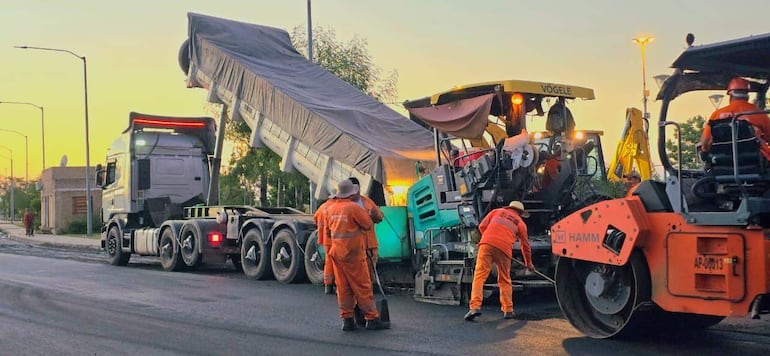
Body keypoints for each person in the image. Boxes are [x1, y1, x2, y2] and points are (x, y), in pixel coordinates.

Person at [325, 179, 389, 331]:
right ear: (352, 193)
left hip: (337, 254)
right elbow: (367, 225)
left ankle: (347, 320)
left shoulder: (331, 209)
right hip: (353, 254)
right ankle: (372, 318)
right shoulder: (353, 208)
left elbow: (328, 232)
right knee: (363, 286)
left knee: (344, 287)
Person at [465, 201, 533, 322]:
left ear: (509, 207)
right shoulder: (521, 223)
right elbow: (525, 245)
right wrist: (528, 263)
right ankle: (508, 310)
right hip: (504, 249)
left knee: (479, 276)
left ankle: (474, 307)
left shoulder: (496, 212)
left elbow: (481, 226)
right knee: (504, 279)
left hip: (486, 245)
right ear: (520, 213)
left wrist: (490, 238)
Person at [700, 77, 770, 162]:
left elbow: (705, 143)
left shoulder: (717, 114)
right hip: (754, 161)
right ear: (747, 95)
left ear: (731, 95)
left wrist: (705, 152)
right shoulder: (758, 113)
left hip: (722, 162)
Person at [347, 177, 384, 285]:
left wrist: (376, 215)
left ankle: (369, 287)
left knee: (369, 271)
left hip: (369, 244)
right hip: (352, 245)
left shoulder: (366, 202)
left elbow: (379, 217)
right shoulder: (343, 205)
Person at [313, 191, 338, 295]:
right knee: (337, 262)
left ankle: (328, 285)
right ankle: (337, 285)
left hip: (325, 239)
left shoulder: (323, 207)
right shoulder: (336, 207)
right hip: (335, 239)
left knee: (329, 261)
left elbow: (315, 219)